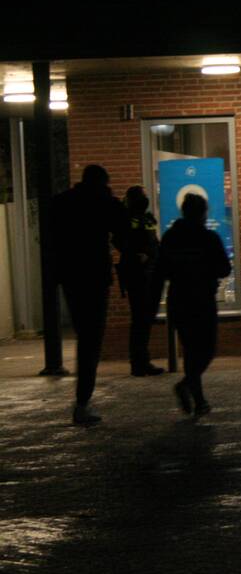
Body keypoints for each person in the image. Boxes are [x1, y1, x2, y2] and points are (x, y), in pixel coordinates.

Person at [52, 164, 129, 426]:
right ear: (102, 182)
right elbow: (123, 234)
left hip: (71, 277)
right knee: (91, 340)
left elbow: (51, 240)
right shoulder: (103, 202)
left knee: (84, 334)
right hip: (95, 276)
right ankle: (82, 402)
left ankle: (82, 402)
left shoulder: (62, 202)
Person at [157, 193, 231, 417]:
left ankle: (193, 394)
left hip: (179, 300)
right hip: (202, 300)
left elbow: (161, 270)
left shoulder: (170, 238)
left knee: (191, 350)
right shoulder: (209, 238)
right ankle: (194, 395)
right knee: (207, 349)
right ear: (202, 213)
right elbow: (224, 269)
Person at [117, 186, 165, 377]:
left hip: (152, 273)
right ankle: (138, 362)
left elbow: (154, 242)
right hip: (137, 274)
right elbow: (119, 241)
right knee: (140, 319)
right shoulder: (127, 219)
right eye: (141, 196)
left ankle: (142, 360)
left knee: (146, 319)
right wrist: (135, 254)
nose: (144, 198)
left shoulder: (147, 218)